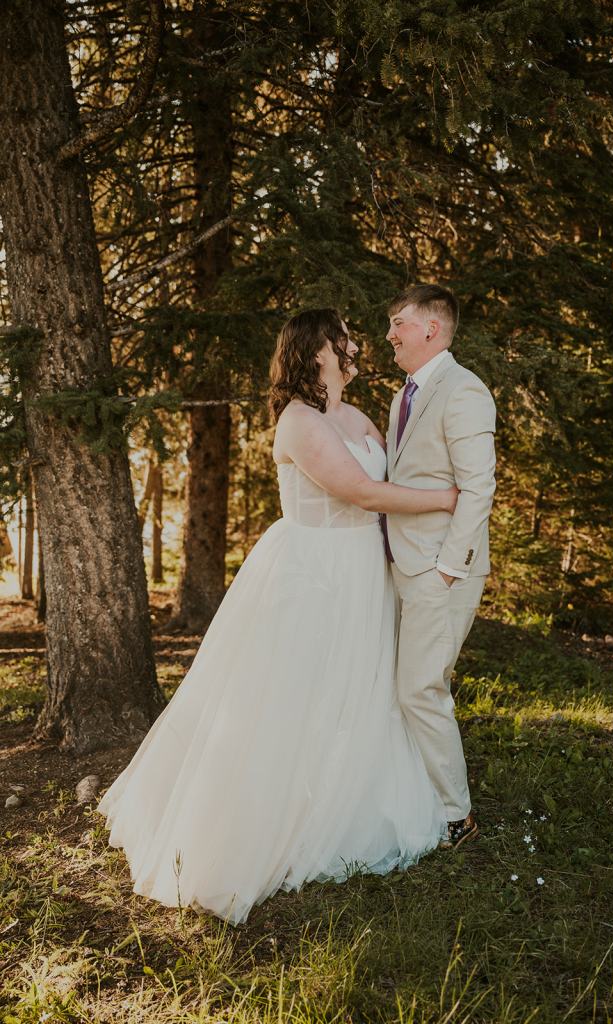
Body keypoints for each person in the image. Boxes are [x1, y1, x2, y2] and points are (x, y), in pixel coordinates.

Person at [98, 307, 458, 923]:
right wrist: (447, 500)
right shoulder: (299, 422)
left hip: (363, 572)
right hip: (315, 574)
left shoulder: (357, 415)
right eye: (341, 335)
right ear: (317, 350)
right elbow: (363, 491)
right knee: (295, 695)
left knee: (360, 687)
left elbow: (388, 477)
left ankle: (349, 796)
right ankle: (273, 819)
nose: (352, 341)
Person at [383, 284, 496, 849]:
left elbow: (479, 489)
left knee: (420, 690)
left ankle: (457, 819)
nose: (390, 335)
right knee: (421, 687)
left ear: (431, 327)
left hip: (439, 569)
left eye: (398, 323)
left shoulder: (464, 391)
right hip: (406, 565)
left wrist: (448, 569)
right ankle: (424, 799)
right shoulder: (403, 395)